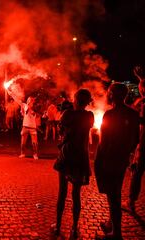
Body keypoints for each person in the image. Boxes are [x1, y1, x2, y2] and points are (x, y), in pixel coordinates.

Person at [95, 83, 139, 239]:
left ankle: (116, 234)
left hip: (109, 159)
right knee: (115, 192)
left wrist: (97, 162)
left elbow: (103, 142)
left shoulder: (110, 115)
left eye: (108, 92)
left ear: (112, 94)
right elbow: (136, 139)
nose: (107, 94)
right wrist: (126, 152)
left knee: (113, 196)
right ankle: (111, 223)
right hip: (122, 159)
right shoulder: (133, 114)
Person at [52, 89, 94, 238]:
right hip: (81, 156)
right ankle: (74, 228)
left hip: (67, 154)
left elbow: (61, 132)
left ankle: (57, 226)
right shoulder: (90, 116)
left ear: (76, 99)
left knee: (62, 192)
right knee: (76, 194)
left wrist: (66, 113)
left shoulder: (68, 114)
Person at [123, 67, 145, 212]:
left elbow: (140, 120)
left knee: (136, 171)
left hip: (144, 144)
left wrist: (126, 110)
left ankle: (130, 201)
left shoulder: (144, 103)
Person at [8, 92, 39, 159]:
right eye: (28, 100)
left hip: (32, 127)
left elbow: (33, 114)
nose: (29, 101)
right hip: (25, 126)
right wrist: (12, 94)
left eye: (30, 100)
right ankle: (22, 153)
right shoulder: (24, 105)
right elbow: (18, 100)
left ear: (33, 101)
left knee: (34, 142)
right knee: (23, 142)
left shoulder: (35, 107)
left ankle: (35, 154)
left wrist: (29, 107)